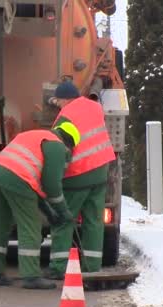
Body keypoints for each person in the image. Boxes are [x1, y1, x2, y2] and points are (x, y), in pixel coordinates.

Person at [0, 122, 80, 289]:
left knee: (1, 226)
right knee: (30, 225)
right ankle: (31, 276)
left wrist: (50, 213)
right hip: (18, 177)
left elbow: (37, 190)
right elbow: (51, 185)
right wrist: (63, 211)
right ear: (69, 142)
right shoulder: (57, 146)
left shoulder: (34, 135)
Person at [45, 81, 116, 278]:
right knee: (93, 220)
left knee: (64, 219)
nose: (57, 105)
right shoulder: (95, 107)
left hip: (78, 174)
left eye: (58, 101)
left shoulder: (64, 117)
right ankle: (92, 266)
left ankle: (59, 267)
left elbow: (60, 149)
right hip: (101, 170)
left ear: (63, 99)